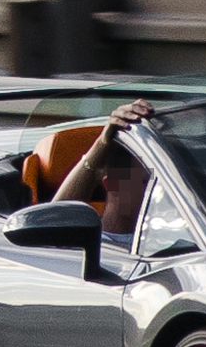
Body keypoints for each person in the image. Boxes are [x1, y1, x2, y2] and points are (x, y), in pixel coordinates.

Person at [51, 98, 155, 254]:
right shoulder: (83, 243)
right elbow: (55, 223)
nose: (158, 194)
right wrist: (102, 143)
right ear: (114, 184)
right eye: (147, 184)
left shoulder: (175, 239)